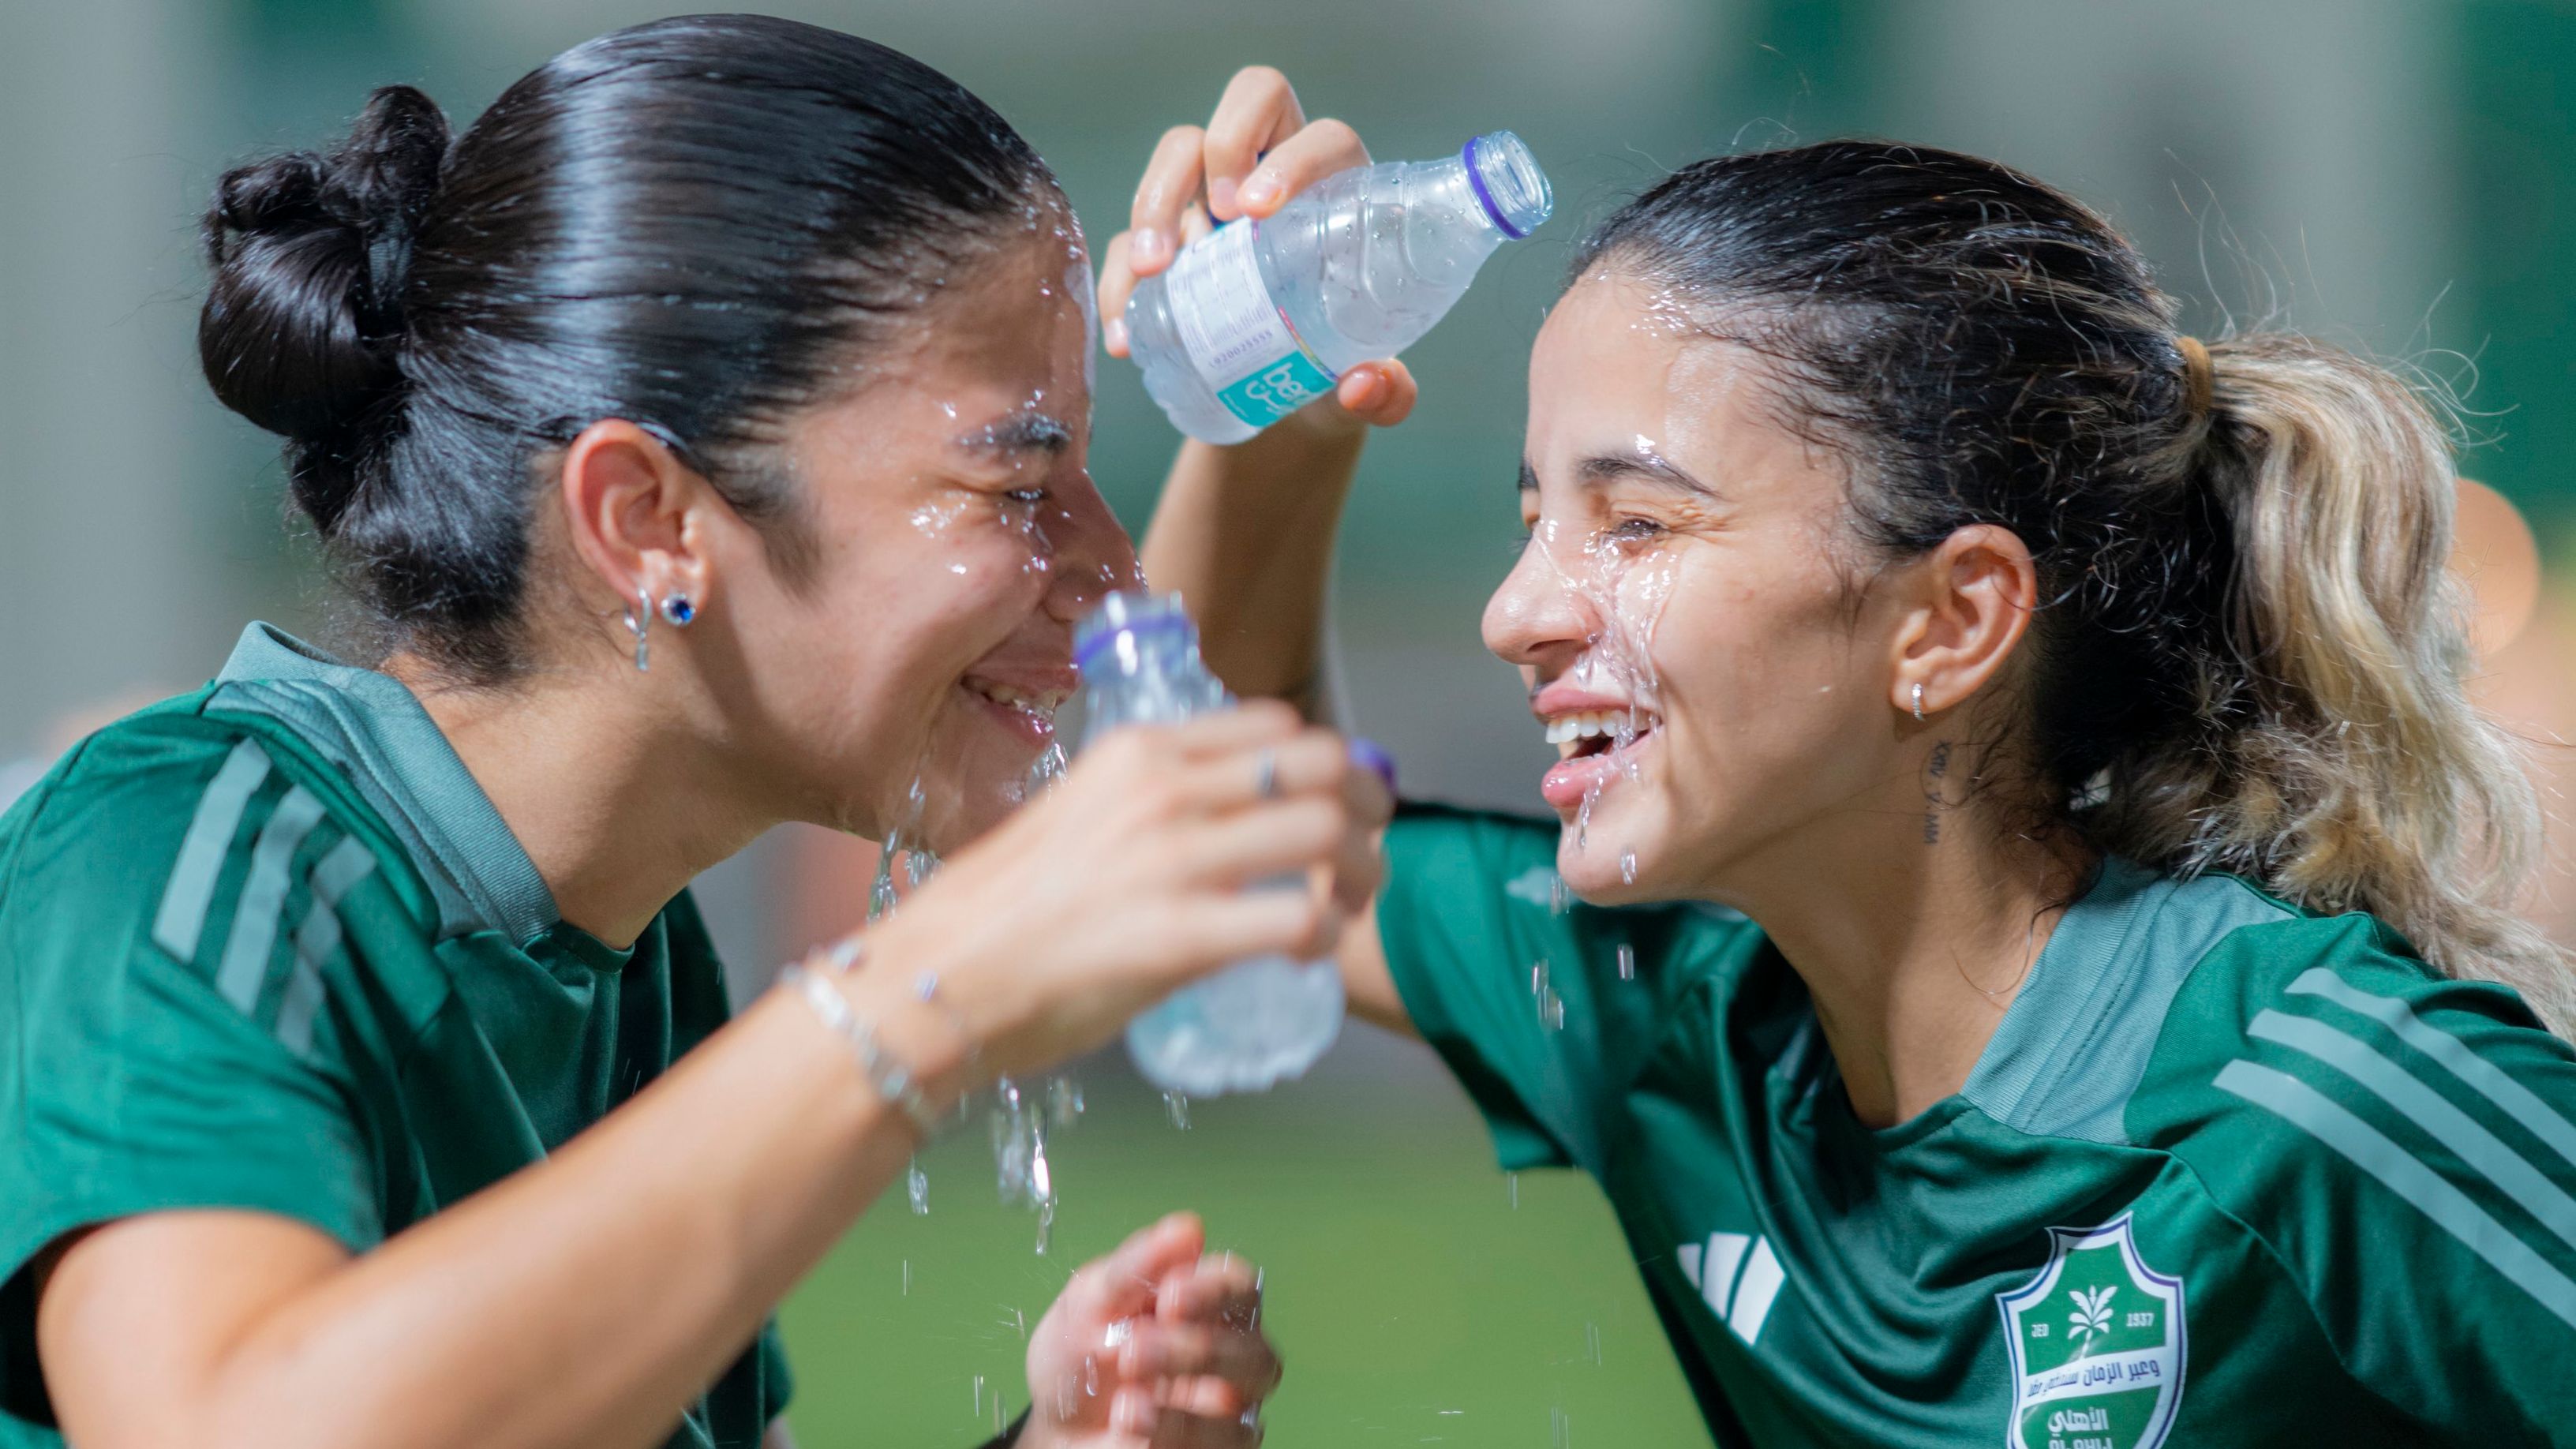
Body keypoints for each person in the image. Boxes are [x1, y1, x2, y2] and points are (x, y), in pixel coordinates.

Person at [1110, 69, 2576, 1447]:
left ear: (1951, 622)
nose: (1518, 615)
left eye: (1636, 524)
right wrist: (1275, 406)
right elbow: (1220, 854)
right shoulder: (1665, 1016)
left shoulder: (2308, 1099)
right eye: (1534, 519)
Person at [0, 23, 1398, 1449]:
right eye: (1015, 484)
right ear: (647, 520)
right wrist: (930, 986)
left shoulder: (633, 964)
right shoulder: (179, 840)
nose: (1117, 577)